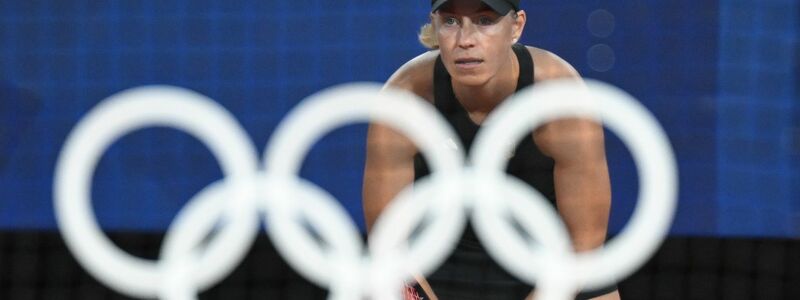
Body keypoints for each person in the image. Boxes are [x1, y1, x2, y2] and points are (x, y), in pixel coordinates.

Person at [362, 0, 620, 299]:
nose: (466, 40)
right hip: (435, 268)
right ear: (434, 24)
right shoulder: (404, 99)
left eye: (485, 21)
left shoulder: (560, 98)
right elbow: (388, 244)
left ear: (517, 26)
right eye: (450, 22)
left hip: (550, 265)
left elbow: (584, 246)